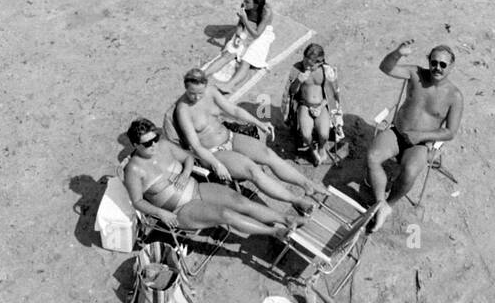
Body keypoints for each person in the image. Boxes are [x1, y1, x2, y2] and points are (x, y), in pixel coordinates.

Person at [172, 68, 326, 208]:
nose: (197, 97)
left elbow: (233, 110)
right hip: (213, 152)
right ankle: (296, 201)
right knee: (253, 171)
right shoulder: (183, 110)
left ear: (205, 86)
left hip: (229, 136)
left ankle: (306, 184)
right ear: (186, 87)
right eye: (192, 93)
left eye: (200, 92)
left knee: (268, 155)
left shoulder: (211, 92)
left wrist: (259, 122)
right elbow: (196, 146)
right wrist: (216, 164)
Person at [124, 119, 296, 239]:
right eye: (147, 144)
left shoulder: (164, 146)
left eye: (155, 139)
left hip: (197, 189)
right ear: (135, 145)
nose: (153, 145)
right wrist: (161, 213)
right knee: (225, 214)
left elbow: (188, 158)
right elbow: (138, 201)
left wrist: (185, 174)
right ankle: (274, 233)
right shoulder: (134, 169)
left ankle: (284, 219)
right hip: (180, 209)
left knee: (241, 202)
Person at [367, 43, 463, 231]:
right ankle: (380, 204)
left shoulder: (455, 96)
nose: (437, 68)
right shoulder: (416, 74)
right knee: (372, 157)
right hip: (398, 132)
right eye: (434, 62)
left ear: (451, 67)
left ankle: (391, 203)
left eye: (443, 65)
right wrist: (397, 53)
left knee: (410, 172)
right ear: (428, 61)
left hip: (420, 144)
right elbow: (385, 68)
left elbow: (450, 132)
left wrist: (420, 136)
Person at [282, 44, 343, 164]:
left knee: (324, 134)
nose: (306, 66)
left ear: (319, 63)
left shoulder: (327, 71)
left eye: (310, 65)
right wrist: (299, 81)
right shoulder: (297, 69)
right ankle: (312, 148)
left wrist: (320, 107)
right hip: (304, 105)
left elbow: (331, 95)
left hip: (321, 105)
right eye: (305, 62)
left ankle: (321, 147)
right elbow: (291, 93)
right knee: (305, 134)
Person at [205, 0, 274, 90]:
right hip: (248, 29)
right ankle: (203, 75)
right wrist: (238, 35)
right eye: (244, 0)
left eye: (247, 1)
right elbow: (240, 25)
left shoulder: (266, 12)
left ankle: (229, 85)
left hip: (261, 34)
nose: (244, 3)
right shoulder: (245, 6)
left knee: (247, 60)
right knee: (229, 53)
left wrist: (245, 19)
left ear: (256, 4)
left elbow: (257, 34)